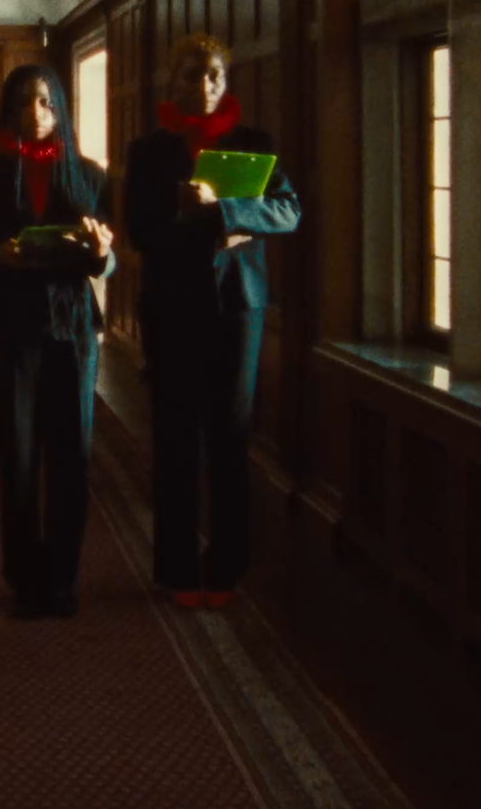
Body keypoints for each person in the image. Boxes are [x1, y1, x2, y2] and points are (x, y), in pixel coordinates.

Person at [122, 32, 301, 611]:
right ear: (171, 81)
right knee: (175, 439)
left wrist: (225, 210)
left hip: (237, 308)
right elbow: (141, 234)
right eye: (191, 75)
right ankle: (176, 571)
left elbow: (288, 210)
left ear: (227, 82)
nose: (202, 86)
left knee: (230, 437)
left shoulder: (255, 145)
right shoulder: (148, 151)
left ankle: (225, 570)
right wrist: (194, 215)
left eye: (214, 76)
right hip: (171, 305)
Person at [0, 65, 117, 620]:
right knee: (18, 455)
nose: (36, 114)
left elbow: (111, 259)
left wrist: (99, 253)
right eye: (24, 103)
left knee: (71, 457)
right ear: (8, 110)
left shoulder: (90, 176)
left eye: (47, 104)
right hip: (13, 326)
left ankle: (63, 577)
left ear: (62, 110)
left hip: (73, 330)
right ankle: (24, 576)